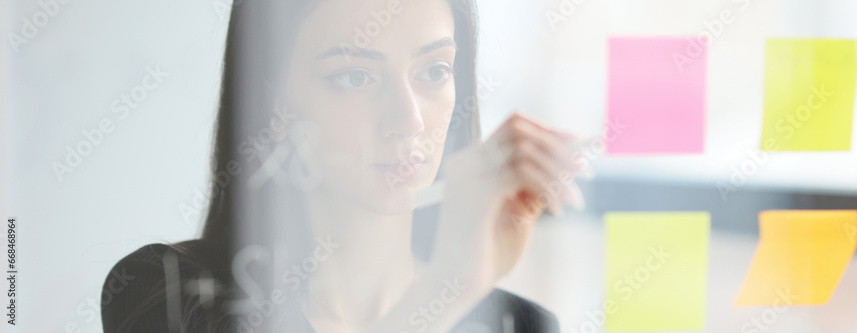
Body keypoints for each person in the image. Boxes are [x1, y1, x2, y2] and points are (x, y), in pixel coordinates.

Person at [100, 0, 587, 332]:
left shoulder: (521, 325)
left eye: (435, 71)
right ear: (275, 105)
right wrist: (444, 292)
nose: (409, 121)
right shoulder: (169, 295)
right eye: (355, 77)